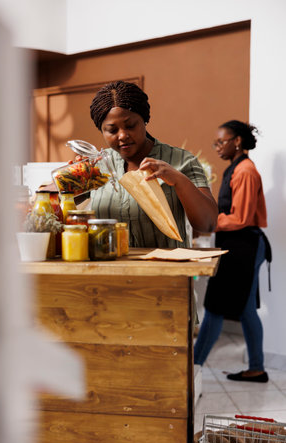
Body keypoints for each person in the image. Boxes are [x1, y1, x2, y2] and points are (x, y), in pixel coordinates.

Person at [76, 80, 218, 247]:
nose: (122, 135)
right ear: (102, 131)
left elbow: (208, 224)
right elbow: (50, 206)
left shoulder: (182, 160)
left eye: (130, 126)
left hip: (165, 269)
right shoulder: (95, 165)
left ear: (144, 120)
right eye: (112, 130)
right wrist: (69, 182)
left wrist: (179, 180)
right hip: (108, 269)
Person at [194, 120, 272, 382]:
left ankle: (192, 367)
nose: (217, 147)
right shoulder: (234, 169)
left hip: (245, 245)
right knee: (246, 310)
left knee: (215, 306)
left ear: (237, 141)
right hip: (237, 244)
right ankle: (257, 368)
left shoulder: (245, 171)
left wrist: (206, 224)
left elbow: (240, 217)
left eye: (221, 141)